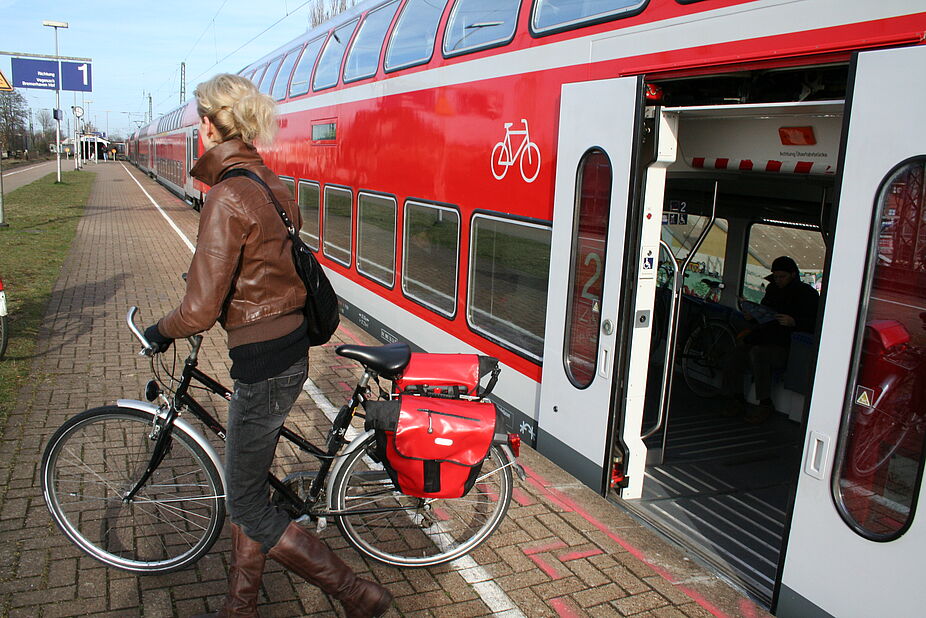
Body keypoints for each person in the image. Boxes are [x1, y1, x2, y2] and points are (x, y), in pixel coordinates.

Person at [144, 73, 392, 618]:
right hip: (289, 346)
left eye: (201, 119)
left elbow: (199, 309)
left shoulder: (227, 196)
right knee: (249, 489)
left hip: (262, 361)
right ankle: (241, 604)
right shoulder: (271, 185)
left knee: (248, 504)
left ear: (210, 126)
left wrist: (160, 331)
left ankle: (358, 595)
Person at [722, 256, 819, 423]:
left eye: (782, 277)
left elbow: (816, 323)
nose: (778, 280)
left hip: (788, 346)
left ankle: (765, 403)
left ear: (793, 275)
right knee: (736, 353)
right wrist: (752, 315)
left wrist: (794, 322)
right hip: (766, 338)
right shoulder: (772, 290)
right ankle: (737, 397)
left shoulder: (808, 295)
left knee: (758, 353)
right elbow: (764, 314)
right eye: (776, 277)